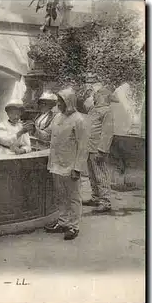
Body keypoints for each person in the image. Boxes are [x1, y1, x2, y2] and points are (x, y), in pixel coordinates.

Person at [43, 87, 89, 240]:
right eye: (58, 101)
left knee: (73, 197)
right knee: (60, 195)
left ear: (68, 102)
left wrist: (77, 168)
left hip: (70, 166)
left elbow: (83, 146)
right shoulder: (57, 117)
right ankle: (63, 222)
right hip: (56, 163)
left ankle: (73, 226)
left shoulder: (79, 120)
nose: (58, 104)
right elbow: (47, 135)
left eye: (60, 101)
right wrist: (34, 130)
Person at [83, 85, 115, 213]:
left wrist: (102, 150)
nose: (94, 96)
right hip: (89, 147)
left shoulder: (106, 111)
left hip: (98, 149)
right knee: (92, 175)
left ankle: (105, 201)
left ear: (103, 97)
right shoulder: (93, 110)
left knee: (100, 175)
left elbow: (107, 133)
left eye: (97, 95)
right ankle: (96, 197)